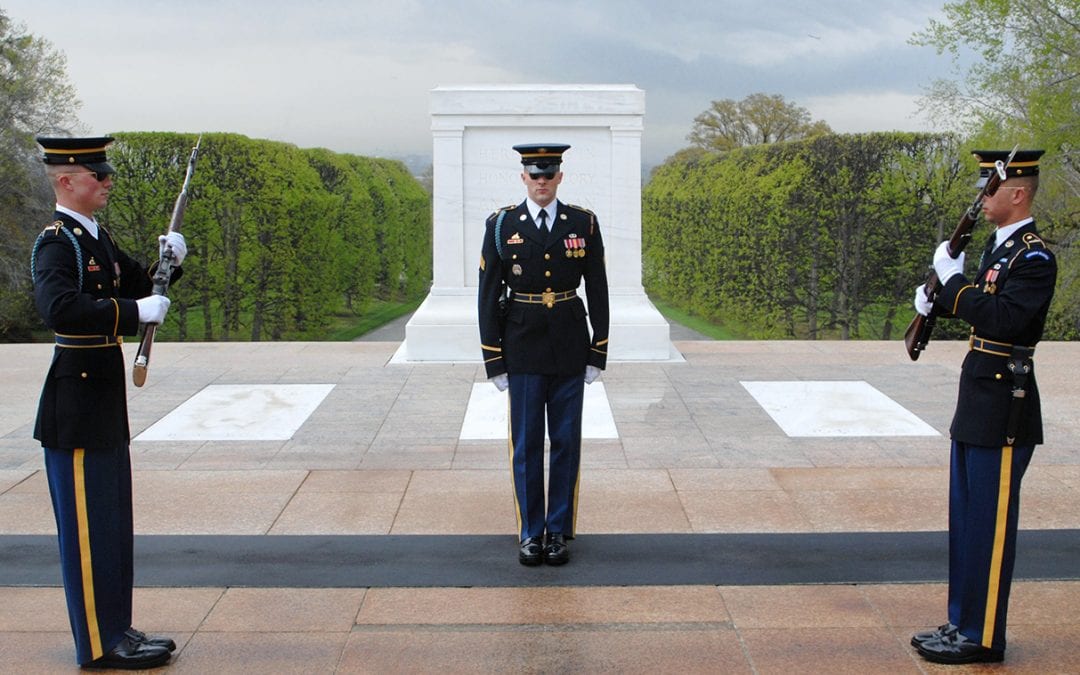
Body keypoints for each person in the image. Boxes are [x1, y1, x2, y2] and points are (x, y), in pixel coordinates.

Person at [31, 136, 187, 669]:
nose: (106, 181)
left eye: (105, 173)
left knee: (111, 524)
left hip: (100, 399)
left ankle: (117, 628)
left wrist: (170, 263)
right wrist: (133, 310)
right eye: (96, 174)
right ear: (66, 180)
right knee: (88, 531)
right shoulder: (59, 243)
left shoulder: (94, 237)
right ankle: (99, 645)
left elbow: (145, 286)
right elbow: (61, 310)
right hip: (74, 407)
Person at [911, 149, 1056, 665]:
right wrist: (938, 299)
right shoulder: (999, 251)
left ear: (1018, 193)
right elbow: (981, 307)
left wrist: (952, 286)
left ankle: (984, 635)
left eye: (990, 189)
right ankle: (962, 622)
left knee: (990, 530)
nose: (982, 197)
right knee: (968, 521)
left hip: (1005, 409)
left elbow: (1003, 319)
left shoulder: (1033, 256)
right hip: (977, 403)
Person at [477, 143, 610, 566]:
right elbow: (487, 295)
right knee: (528, 444)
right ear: (523, 178)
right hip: (523, 348)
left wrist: (598, 349)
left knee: (566, 442)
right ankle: (530, 532)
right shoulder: (502, 225)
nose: (541, 182)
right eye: (535, 175)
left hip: (570, 345)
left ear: (559, 177)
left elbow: (599, 289)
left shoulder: (583, 224)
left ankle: (558, 531)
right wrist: (493, 358)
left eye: (548, 174)